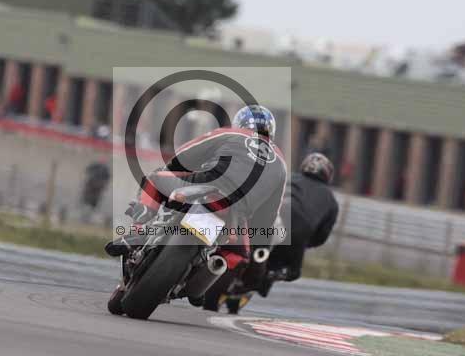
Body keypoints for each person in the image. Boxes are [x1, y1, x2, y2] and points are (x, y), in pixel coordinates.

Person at [106, 105, 287, 264]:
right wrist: (259, 244)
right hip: (238, 211)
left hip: (208, 183)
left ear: (239, 122)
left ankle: (137, 231)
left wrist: (171, 169)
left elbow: (187, 153)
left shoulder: (231, 133)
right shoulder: (281, 164)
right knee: (240, 255)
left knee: (155, 179)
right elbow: (269, 213)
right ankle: (209, 275)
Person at [265, 152, 339, 284]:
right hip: (297, 234)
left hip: (269, 219)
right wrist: (306, 243)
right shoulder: (331, 200)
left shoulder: (288, 177)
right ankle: (271, 275)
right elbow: (322, 236)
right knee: (293, 273)